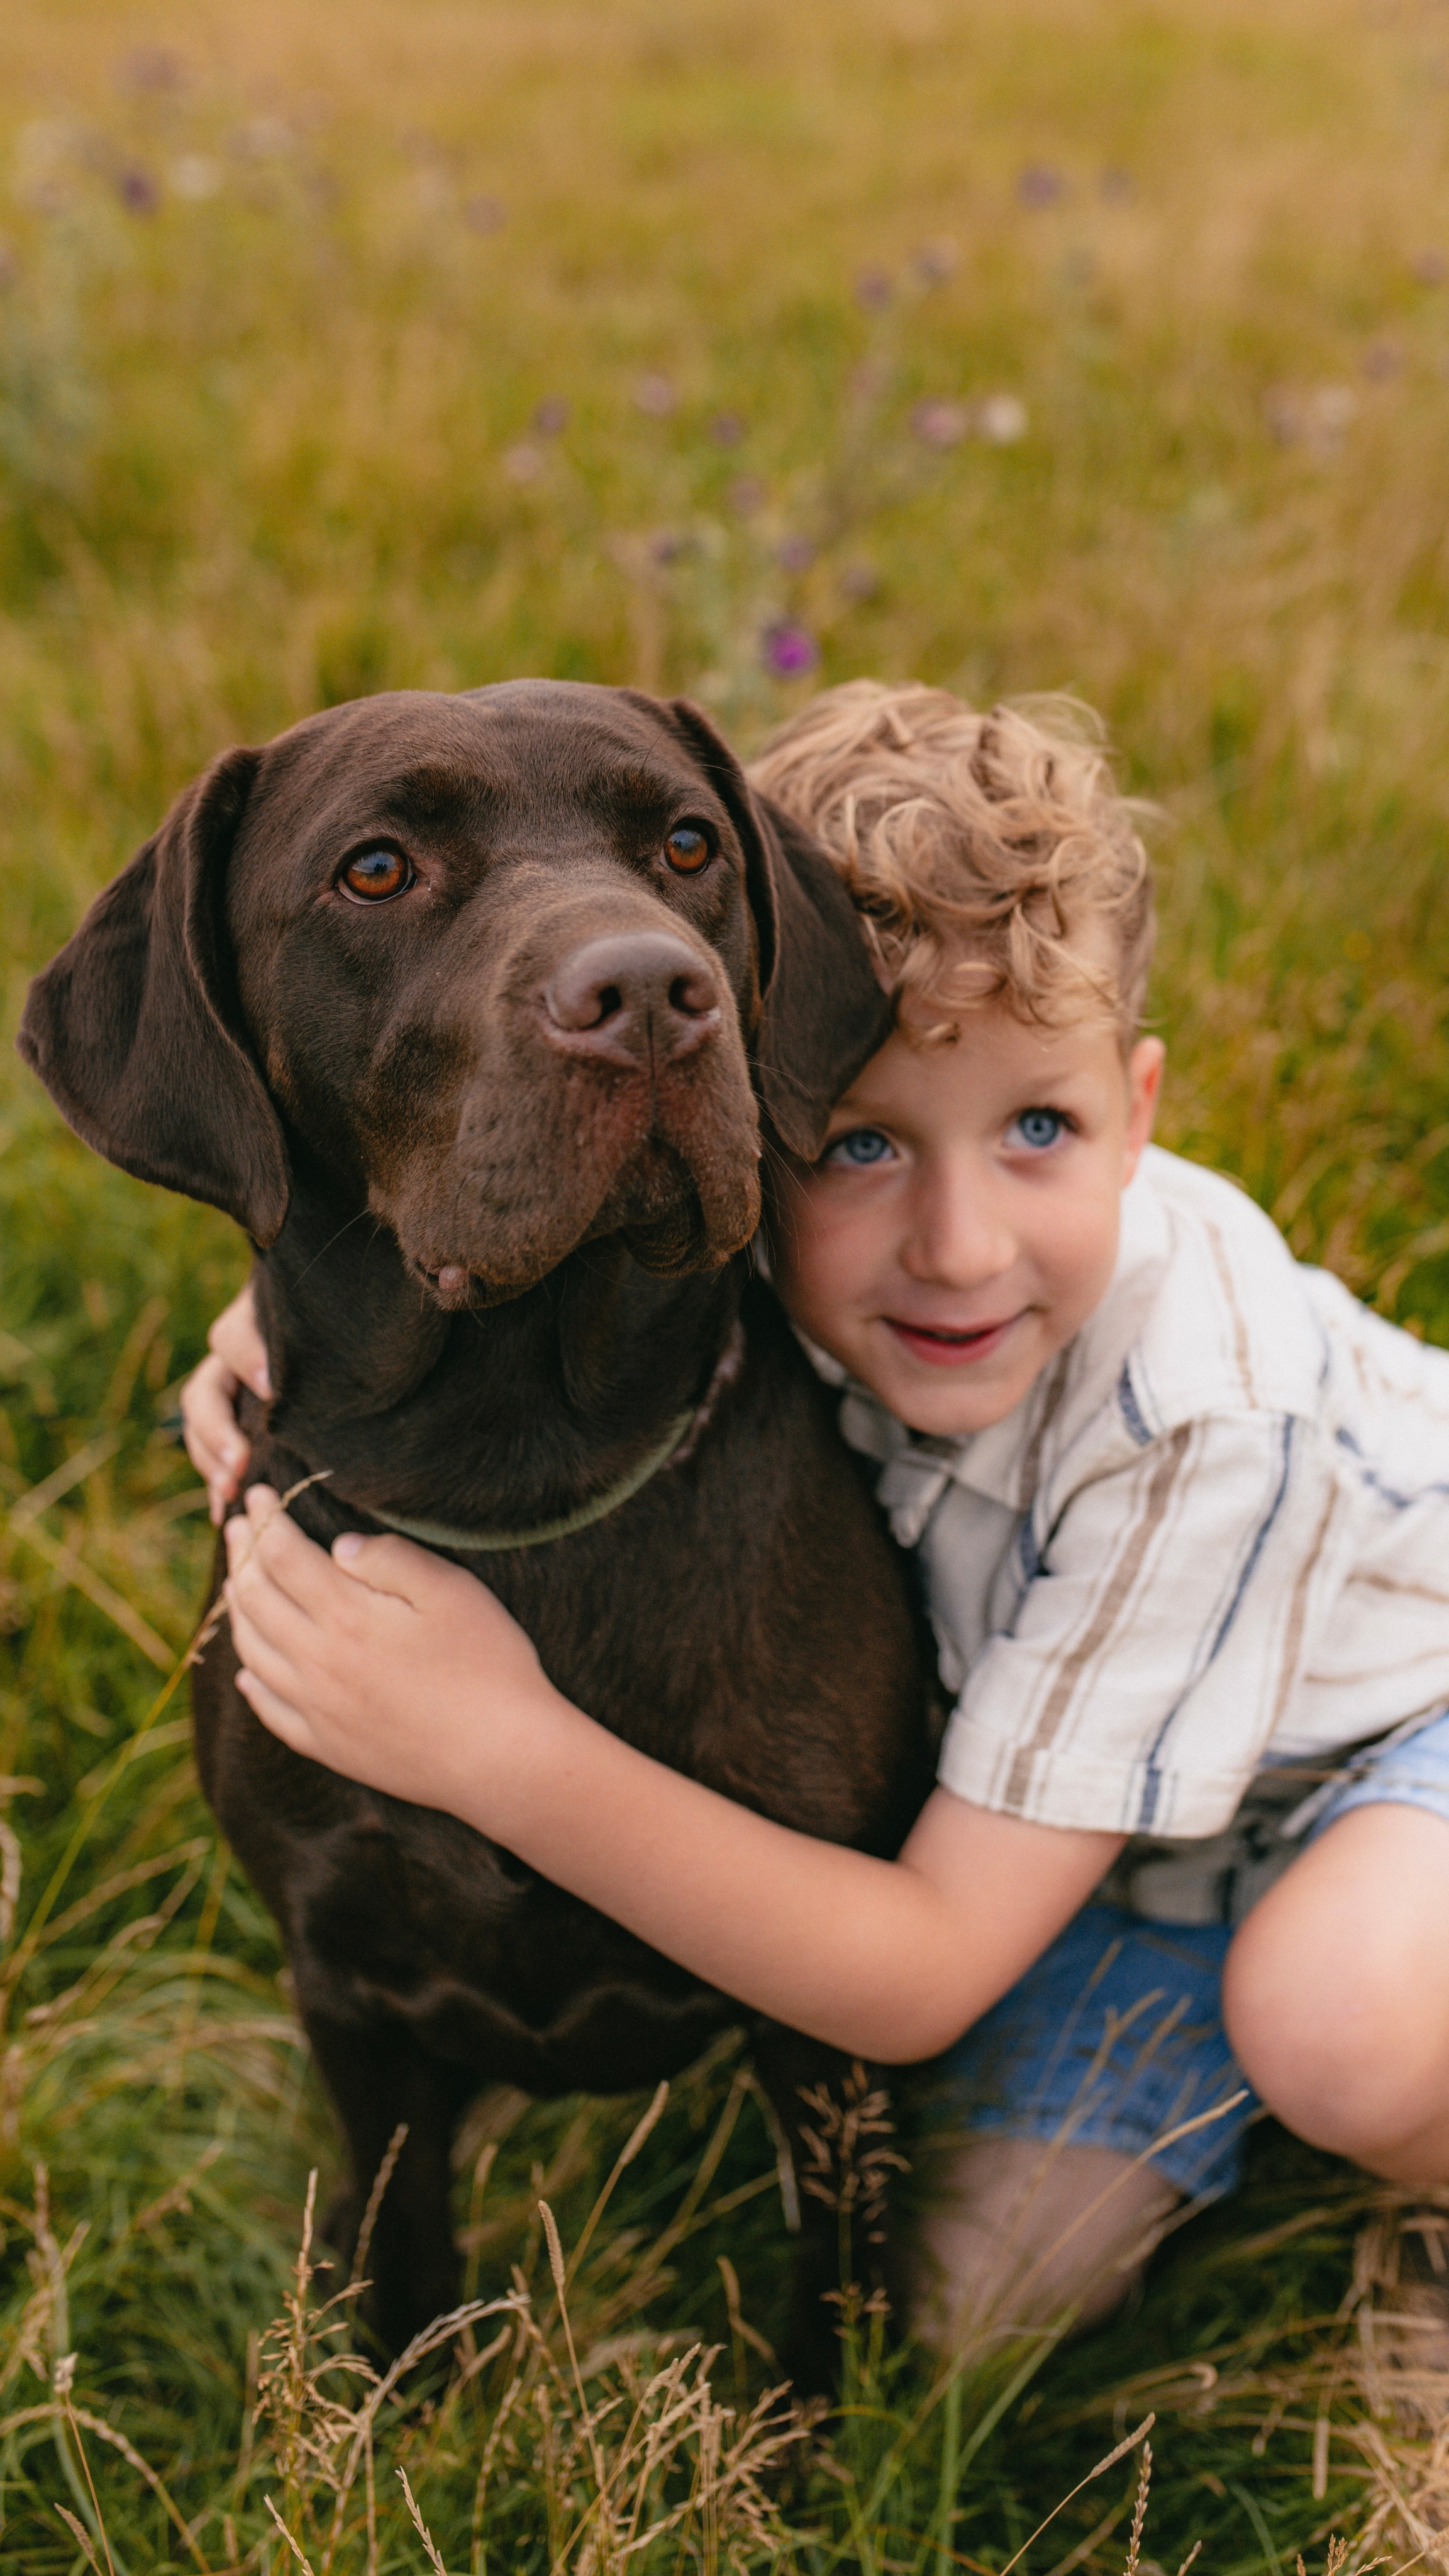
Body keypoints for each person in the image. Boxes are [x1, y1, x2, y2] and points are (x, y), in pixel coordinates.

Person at [189, 683, 1449, 2352]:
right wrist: (266, 1339)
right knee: (968, 2317)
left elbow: (913, 1976)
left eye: (1040, 1129)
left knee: (1340, 2028)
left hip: (1388, 1740)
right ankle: (1233, 2039)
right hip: (1121, 1858)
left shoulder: (1198, 1413)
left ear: (1142, 1114)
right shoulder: (799, 1255)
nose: (956, 1245)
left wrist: (500, 1751)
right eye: (854, 1137)